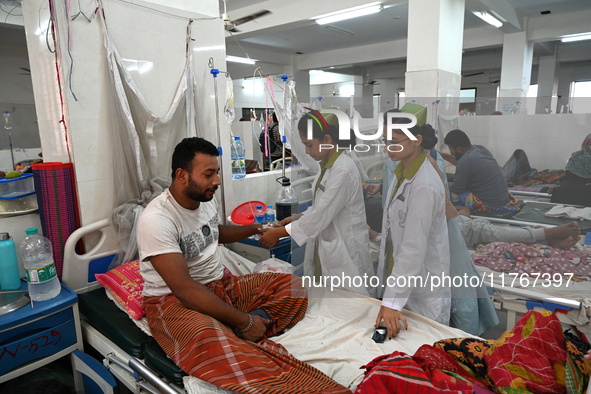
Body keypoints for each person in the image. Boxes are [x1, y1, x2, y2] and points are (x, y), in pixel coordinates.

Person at [136, 138, 345, 393]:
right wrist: (244, 321)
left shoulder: (205, 199)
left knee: (293, 286)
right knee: (209, 340)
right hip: (174, 303)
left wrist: (259, 228)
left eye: (218, 172)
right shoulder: (157, 220)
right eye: (209, 174)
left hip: (219, 287)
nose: (217, 181)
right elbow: (185, 289)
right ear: (181, 175)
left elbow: (216, 233)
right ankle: (249, 343)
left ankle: (240, 330)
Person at [259, 110, 376, 297]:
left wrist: (279, 233)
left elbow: (322, 214)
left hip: (346, 249)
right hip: (331, 246)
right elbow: (322, 207)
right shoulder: (327, 167)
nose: (306, 151)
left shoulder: (343, 170)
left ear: (328, 139)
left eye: (309, 144)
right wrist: (294, 218)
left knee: (353, 304)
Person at [376, 117, 451, 339]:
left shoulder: (424, 184)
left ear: (417, 140)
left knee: (423, 349)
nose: (388, 148)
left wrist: (391, 301)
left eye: (395, 141)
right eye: (385, 141)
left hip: (423, 289)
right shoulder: (402, 172)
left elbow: (413, 247)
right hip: (405, 280)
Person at [443, 129, 516, 212]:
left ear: (459, 149)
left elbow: (457, 188)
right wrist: (441, 155)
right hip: (503, 199)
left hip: (490, 205)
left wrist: (444, 183)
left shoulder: (465, 161)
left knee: (445, 191)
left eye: (451, 149)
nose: (451, 152)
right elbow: (462, 163)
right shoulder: (481, 149)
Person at [455, 206, 581, 249]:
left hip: (457, 222)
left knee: (484, 230)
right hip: (455, 227)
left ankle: (546, 240)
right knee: (485, 231)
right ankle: (545, 235)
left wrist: (460, 213)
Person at [551, 133, 591, 207]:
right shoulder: (577, 157)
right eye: (590, 144)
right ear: (586, 145)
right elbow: (569, 177)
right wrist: (583, 184)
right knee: (566, 188)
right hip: (576, 184)